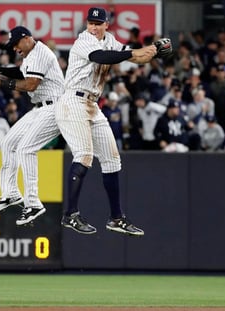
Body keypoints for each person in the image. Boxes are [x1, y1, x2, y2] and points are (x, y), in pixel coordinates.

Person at [55, 7, 156, 235]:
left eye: (98, 23)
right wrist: (133, 53)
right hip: (73, 101)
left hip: (92, 104)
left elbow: (137, 57)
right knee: (84, 155)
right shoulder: (83, 41)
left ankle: (116, 218)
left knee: (112, 160)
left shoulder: (110, 40)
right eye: (91, 22)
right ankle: (70, 215)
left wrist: (155, 50)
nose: (93, 27)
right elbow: (101, 57)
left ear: (106, 24)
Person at [0, 26, 65, 226]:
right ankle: (11, 192)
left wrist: (1, 81)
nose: (15, 48)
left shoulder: (40, 52)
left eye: (16, 43)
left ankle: (33, 203)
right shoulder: (30, 54)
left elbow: (30, 84)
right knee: (8, 143)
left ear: (27, 38)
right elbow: (20, 73)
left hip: (55, 107)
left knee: (26, 149)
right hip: (41, 108)